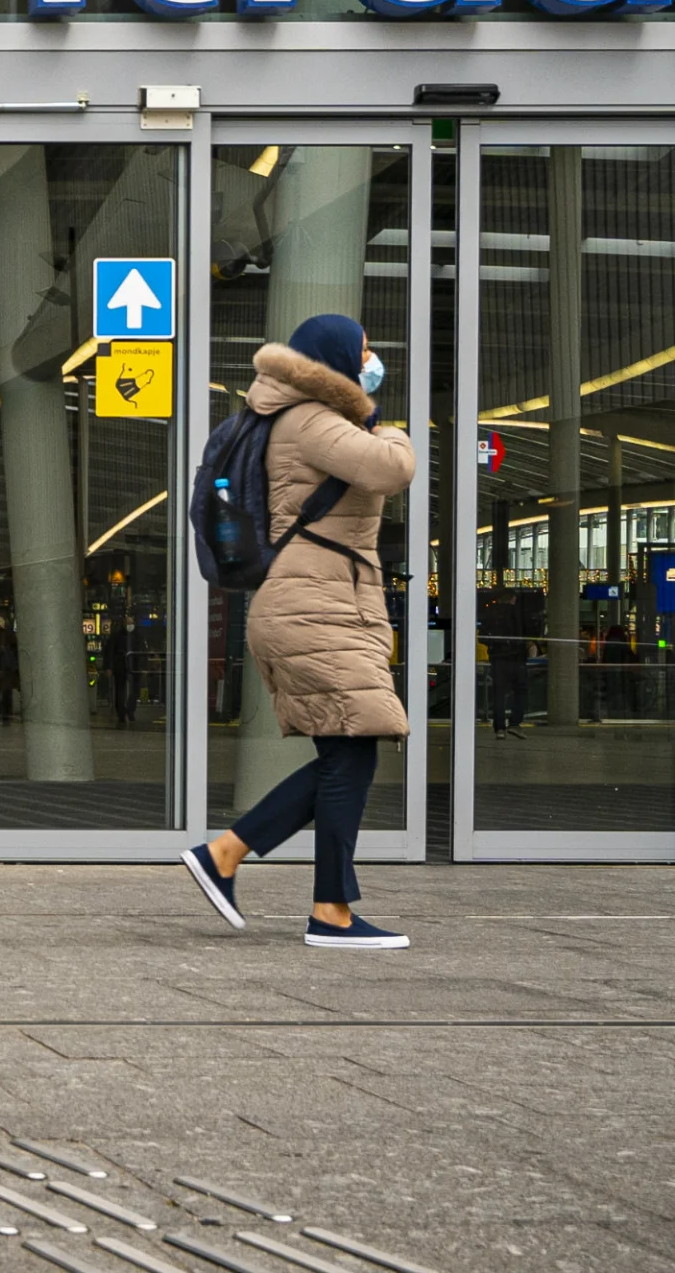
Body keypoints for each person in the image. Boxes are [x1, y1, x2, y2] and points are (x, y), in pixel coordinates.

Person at [171, 314, 419, 950]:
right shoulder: (311, 420)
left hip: (317, 600)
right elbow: (390, 469)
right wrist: (392, 429)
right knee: (352, 750)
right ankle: (318, 906)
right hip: (316, 604)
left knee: (348, 752)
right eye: (365, 350)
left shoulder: (301, 418)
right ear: (336, 356)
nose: (373, 359)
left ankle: (239, 859)